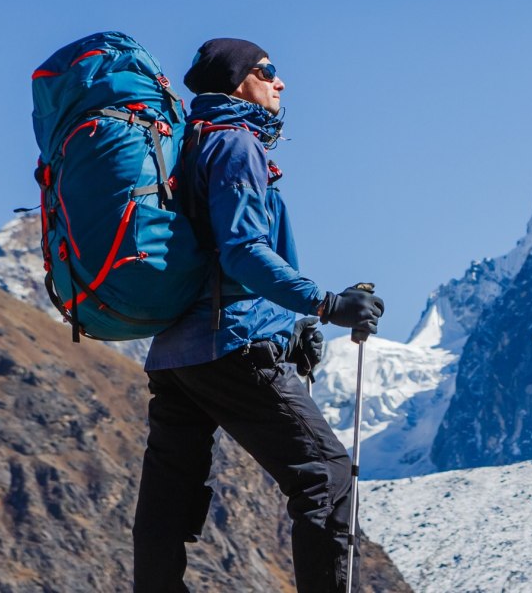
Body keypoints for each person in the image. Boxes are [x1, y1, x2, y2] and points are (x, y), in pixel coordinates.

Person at [133, 37, 385, 593]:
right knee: (326, 475)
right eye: (268, 70)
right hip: (231, 344)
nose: (280, 82)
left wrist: (290, 327)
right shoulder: (234, 142)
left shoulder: (190, 140)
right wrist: (325, 304)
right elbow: (243, 251)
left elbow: (206, 258)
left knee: (169, 494)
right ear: (238, 80)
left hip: (176, 354)